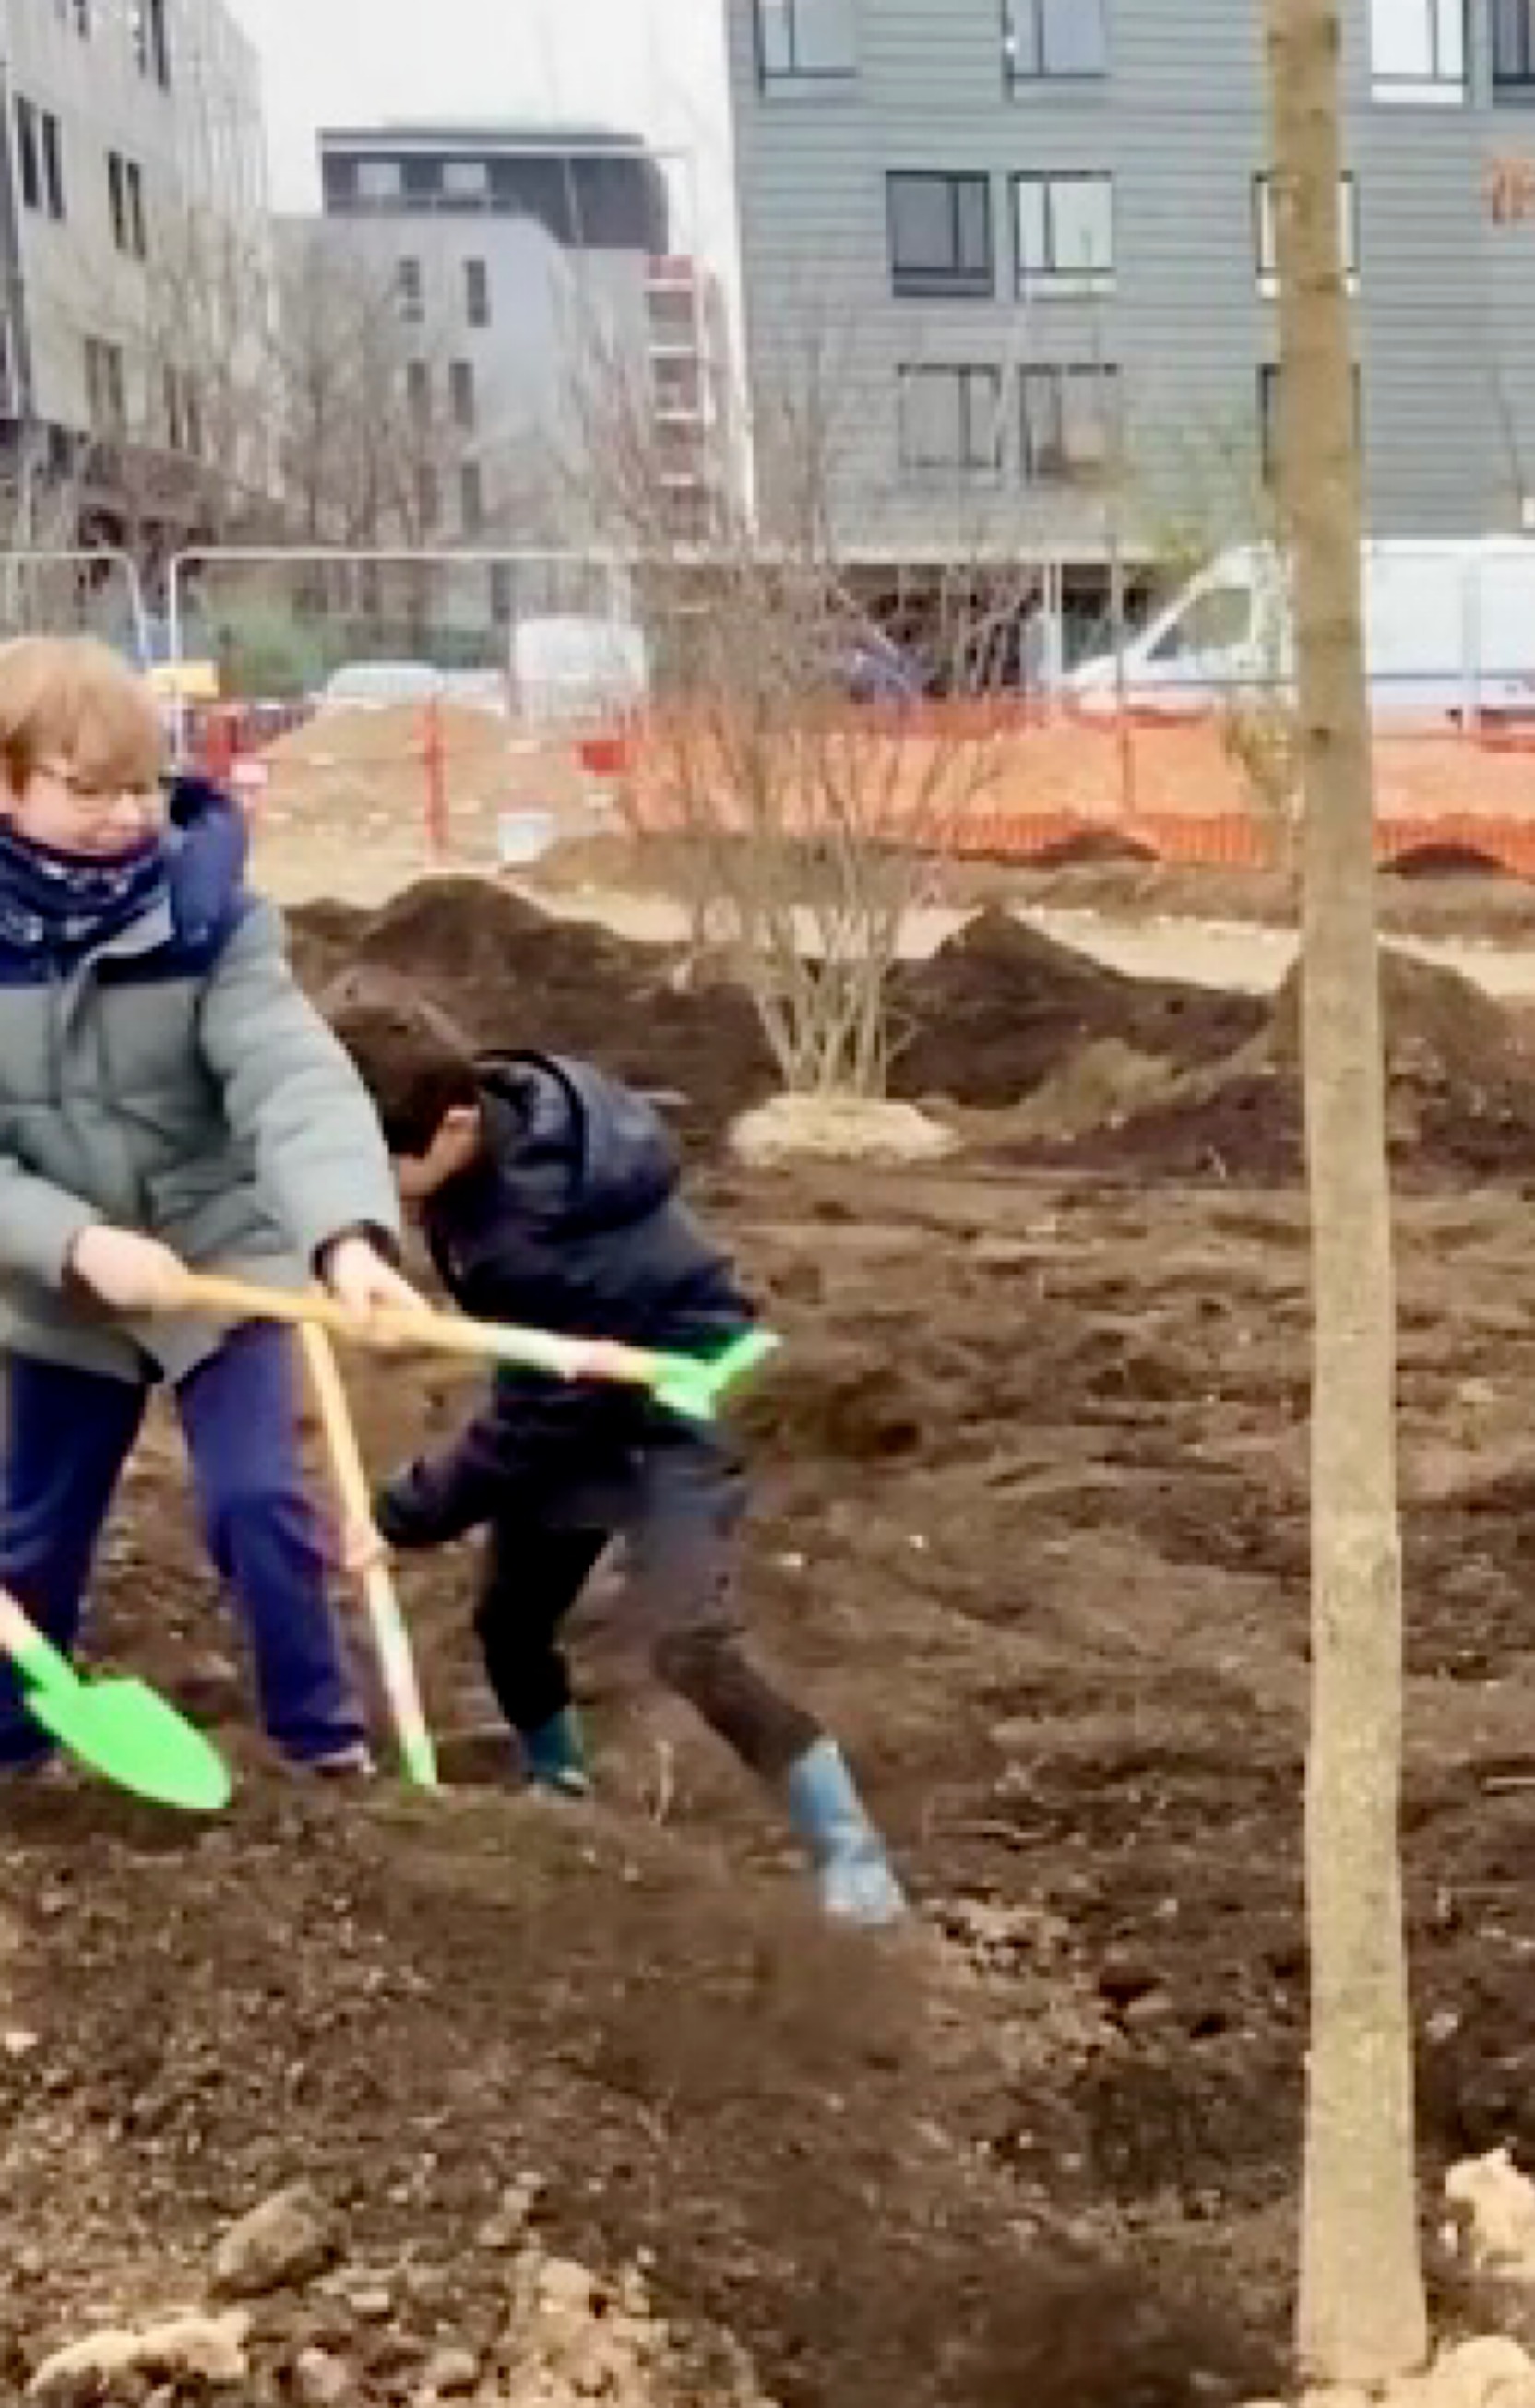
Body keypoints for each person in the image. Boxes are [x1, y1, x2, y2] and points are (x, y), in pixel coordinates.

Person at [323, 982, 910, 1930]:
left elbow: (532, 1422)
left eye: (385, 1165)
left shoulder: (533, 1239)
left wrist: (405, 1513)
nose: (376, 1188)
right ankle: (561, 1789)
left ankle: (851, 1853)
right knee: (512, 1619)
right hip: (581, 1385)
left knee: (687, 1643)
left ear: (456, 1125)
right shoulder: (499, 1113)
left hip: (677, 1402)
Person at [0, 637, 419, 1778]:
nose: (123, 817)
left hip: (215, 1258)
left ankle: (321, 1749)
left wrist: (345, 1234)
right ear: (6, 780)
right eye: (85, 791)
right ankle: (11, 1753)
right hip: (53, 1290)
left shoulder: (208, 917)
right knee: (29, 1542)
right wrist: (75, 1242)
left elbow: (289, 1075)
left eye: (139, 786)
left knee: (259, 1508)